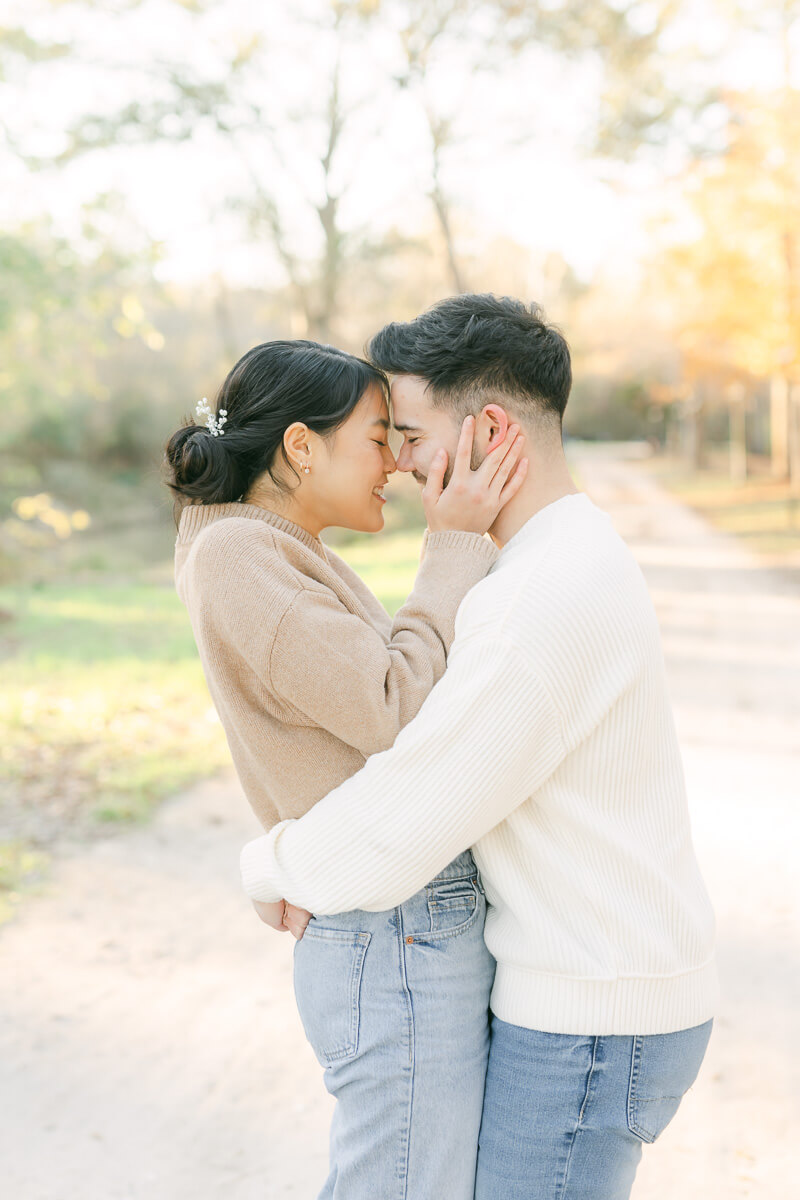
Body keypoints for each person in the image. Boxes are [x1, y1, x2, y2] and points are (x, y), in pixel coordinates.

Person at [240, 297, 719, 1200]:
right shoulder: (559, 553)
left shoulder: (542, 595)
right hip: (595, 997)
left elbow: (413, 814)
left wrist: (269, 862)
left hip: (591, 1018)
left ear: (492, 431)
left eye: (412, 436)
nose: (400, 463)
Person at [164, 338, 528, 1200]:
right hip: (389, 926)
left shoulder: (264, 544)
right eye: (377, 439)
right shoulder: (238, 558)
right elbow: (394, 707)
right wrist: (454, 547)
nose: (398, 464)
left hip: (393, 918)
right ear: (299, 446)